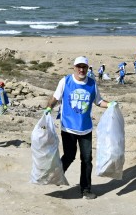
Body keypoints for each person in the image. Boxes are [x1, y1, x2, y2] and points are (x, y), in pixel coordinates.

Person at [44, 56, 111, 200]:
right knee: (69, 155)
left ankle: (86, 190)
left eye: (84, 67)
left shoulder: (92, 84)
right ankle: (56, 176)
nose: (81, 69)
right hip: (68, 128)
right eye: (79, 67)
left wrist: (110, 105)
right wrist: (49, 108)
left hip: (85, 128)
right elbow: (55, 98)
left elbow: (98, 101)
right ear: (74, 67)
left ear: (87, 68)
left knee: (87, 159)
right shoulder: (65, 81)